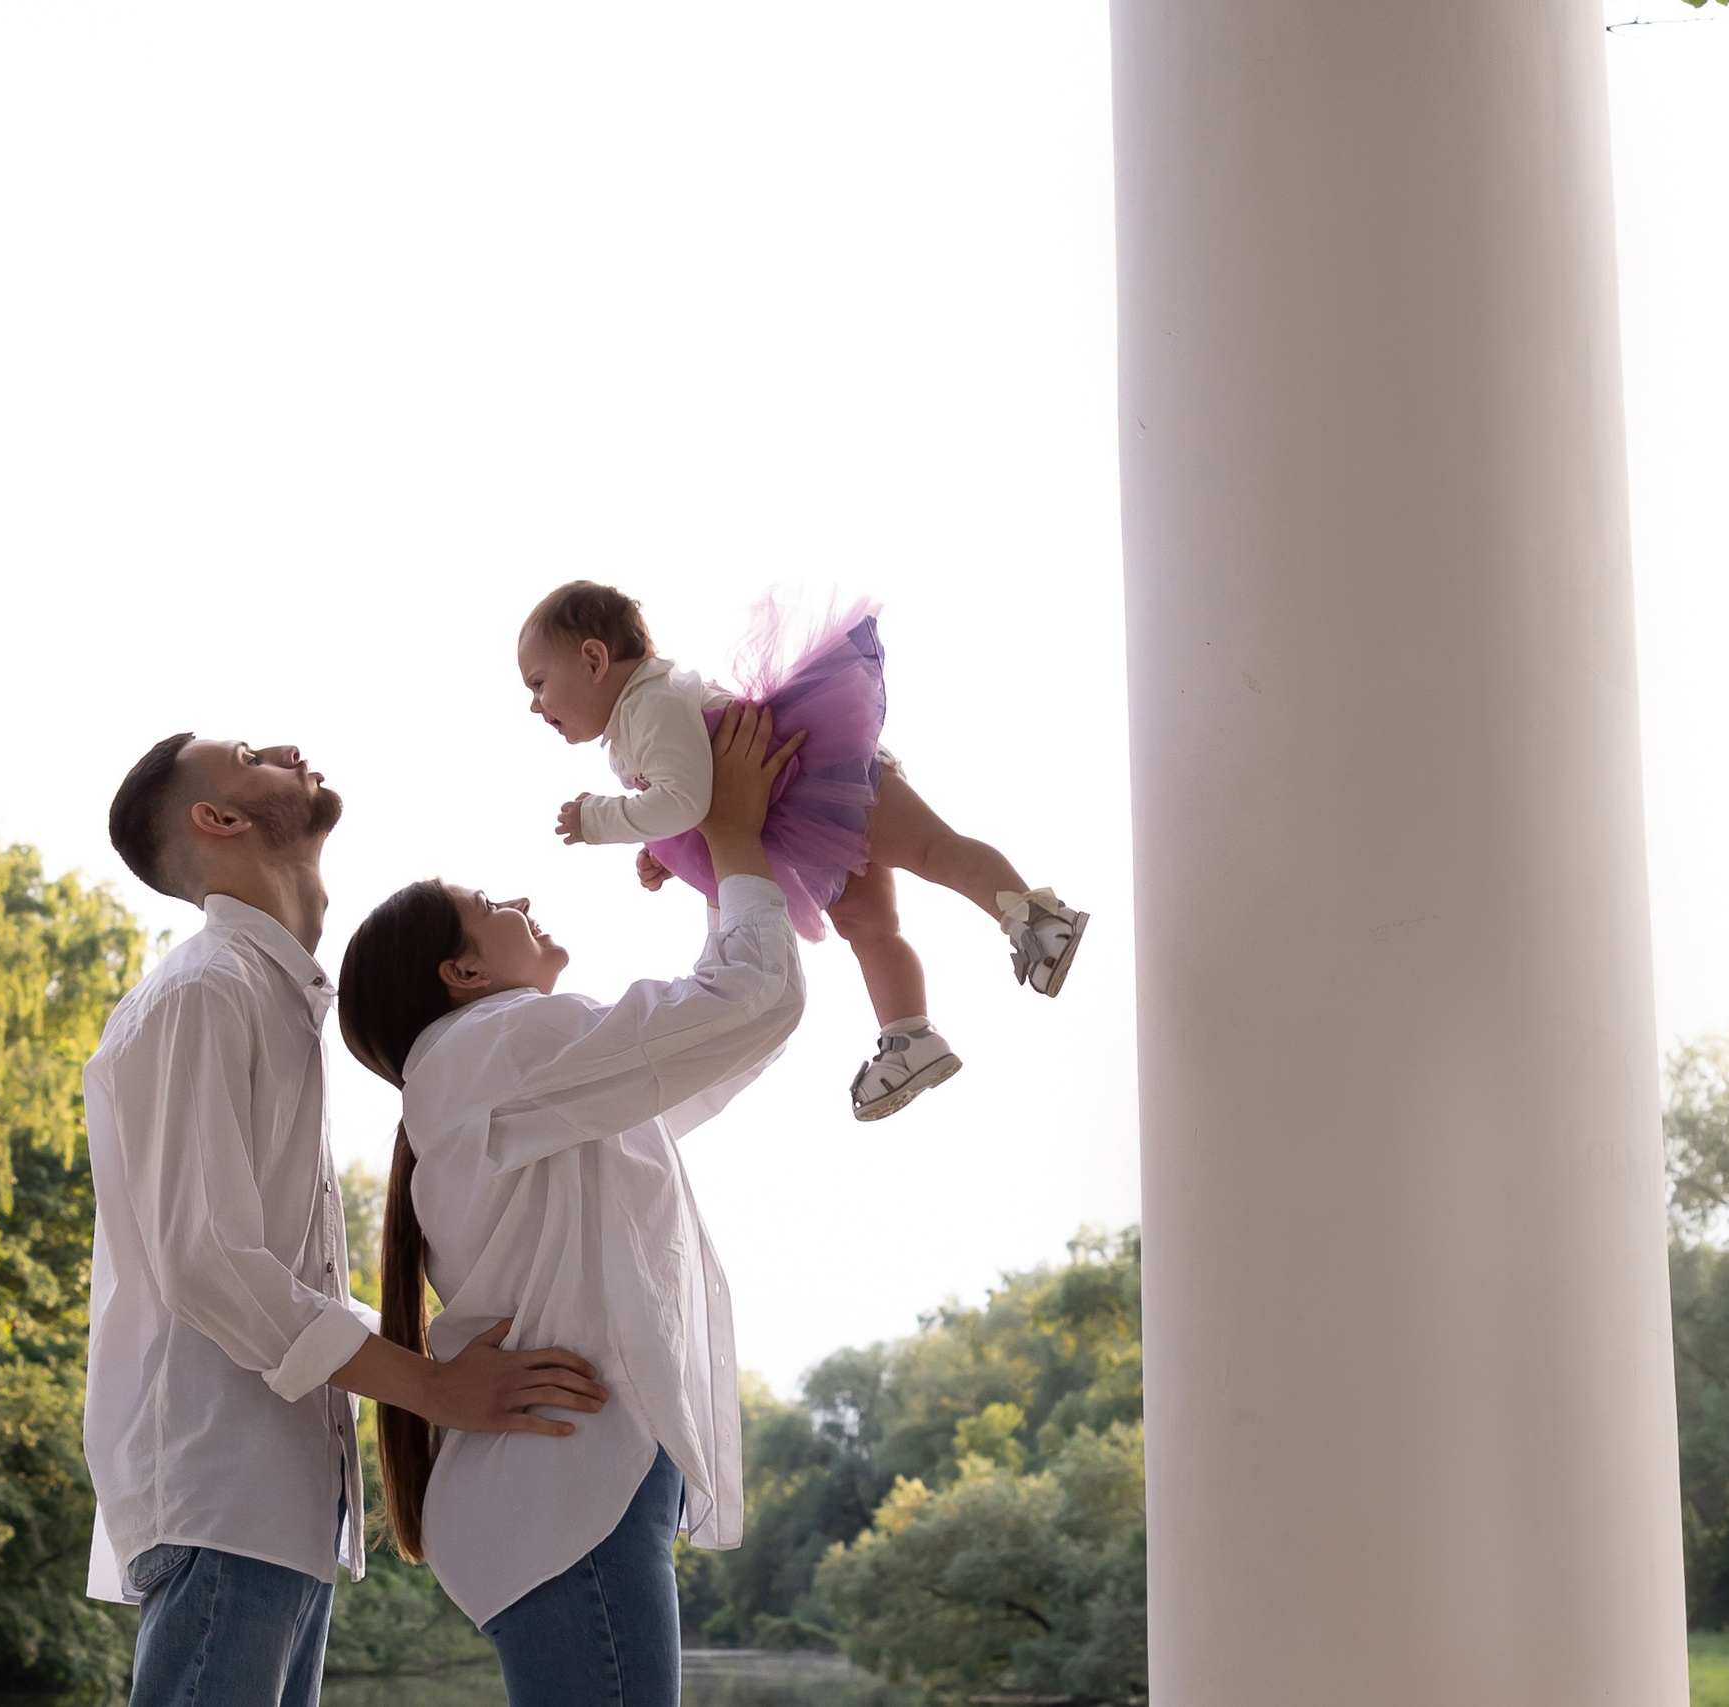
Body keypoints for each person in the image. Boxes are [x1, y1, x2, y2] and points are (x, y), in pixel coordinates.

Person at [85, 733, 610, 1707]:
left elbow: (273, 1277)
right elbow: (208, 1264)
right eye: (249, 754)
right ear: (219, 820)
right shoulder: (205, 993)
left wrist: (439, 1363)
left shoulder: (271, 1001)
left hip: (276, 1503)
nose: (287, 748)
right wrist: (430, 1388)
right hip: (226, 1495)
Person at [335, 702, 807, 1707]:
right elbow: (751, 1004)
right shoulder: (502, 1044)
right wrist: (730, 837)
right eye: (487, 900)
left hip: (559, 1495)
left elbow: (716, 1041)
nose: (517, 899)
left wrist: (713, 868)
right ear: (460, 974)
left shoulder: (491, 1069)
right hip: (569, 1497)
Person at [517, 580, 1088, 1122]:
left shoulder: (651, 702)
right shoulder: (635, 720)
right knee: (867, 923)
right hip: (799, 813)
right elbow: (694, 799)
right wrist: (665, 853)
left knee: (930, 849)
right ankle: (909, 1035)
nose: (536, 706)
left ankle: (1033, 915)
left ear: (594, 660)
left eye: (539, 683)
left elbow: (686, 800)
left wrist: (600, 818)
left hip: (819, 772)